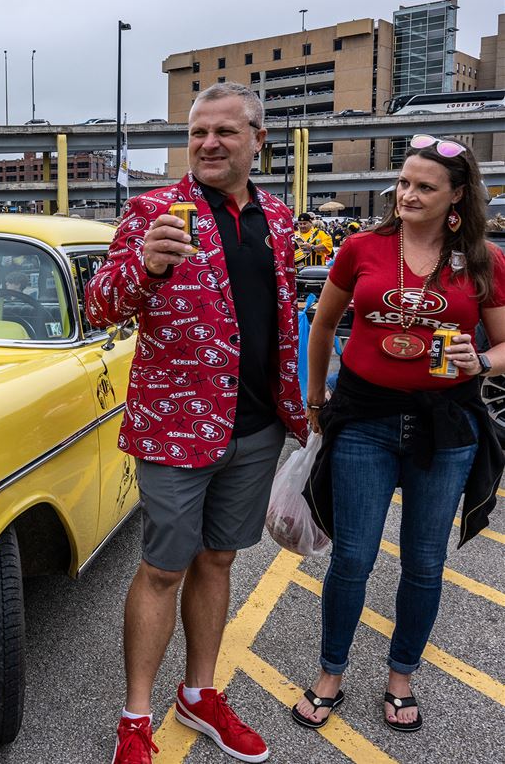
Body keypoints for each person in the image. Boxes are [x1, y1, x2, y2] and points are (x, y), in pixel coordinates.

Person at [85, 82, 307, 764]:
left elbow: (279, 316)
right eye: (198, 132)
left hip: (256, 426)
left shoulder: (278, 215)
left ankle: (200, 693)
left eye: (226, 132)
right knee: (161, 568)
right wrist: (146, 268)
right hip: (175, 428)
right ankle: (135, 715)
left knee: (219, 558)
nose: (209, 143)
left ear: (256, 140)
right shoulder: (154, 209)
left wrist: (300, 406)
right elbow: (100, 304)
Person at [296, 135, 505, 733]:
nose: (408, 195)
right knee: (354, 557)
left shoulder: (484, 261)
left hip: (447, 424)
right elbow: (324, 324)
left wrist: (481, 362)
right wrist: (317, 397)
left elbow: (502, 344)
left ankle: (401, 676)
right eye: (404, 183)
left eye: (425, 187)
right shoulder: (361, 246)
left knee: (423, 562)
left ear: (457, 195)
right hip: (364, 418)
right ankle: (331, 672)